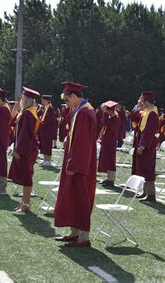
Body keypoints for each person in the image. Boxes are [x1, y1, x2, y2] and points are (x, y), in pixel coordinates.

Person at [54, 82, 97, 248]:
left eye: (67, 99)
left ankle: (84, 237)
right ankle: (74, 232)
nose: (66, 103)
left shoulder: (85, 113)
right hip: (75, 161)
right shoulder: (79, 110)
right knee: (72, 197)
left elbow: (83, 143)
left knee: (81, 198)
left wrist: (74, 164)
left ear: (73, 97)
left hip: (81, 165)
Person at [8, 87, 40, 212]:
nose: (21, 99)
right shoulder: (28, 112)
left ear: (26, 99)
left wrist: (18, 150)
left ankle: (26, 203)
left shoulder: (28, 114)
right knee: (25, 174)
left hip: (26, 149)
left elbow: (24, 134)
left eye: (22, 97)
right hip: (28, 147)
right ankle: (23, 201)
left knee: (27, 175)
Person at [133, 91, 159, 203]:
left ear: (147, 101)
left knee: (148, 169)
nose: (141, 102)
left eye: (142, 100)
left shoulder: (152, 113)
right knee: (143, 169)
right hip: (143, 145)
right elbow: (133, 117)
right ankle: (145, 192)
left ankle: (151, 194)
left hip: (148, 147)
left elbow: (149, 131)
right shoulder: (146, 111)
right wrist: (138, 106)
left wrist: (142, 145)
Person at [98, 101, 121, 187]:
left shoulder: (116, 119)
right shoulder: (111, 118)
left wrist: (104, 112)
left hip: (111, 143)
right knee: (107, 160)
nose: (106, 112)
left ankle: (111, 179)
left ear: (111, 111)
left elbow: (105, 123)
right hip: (107, 141)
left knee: (111, 160)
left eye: (107, 111)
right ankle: (108, 178)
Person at [38, 95, 58, 167]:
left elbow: (49, 121)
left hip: (48, 130)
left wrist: (42, 123)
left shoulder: (51, 109)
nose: (42, 102)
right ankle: (45, 159)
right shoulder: (45, 108)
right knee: (44, 144)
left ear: (47, 101)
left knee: (47, 145)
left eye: (43, 100)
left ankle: (48, 160)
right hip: (44, 130)